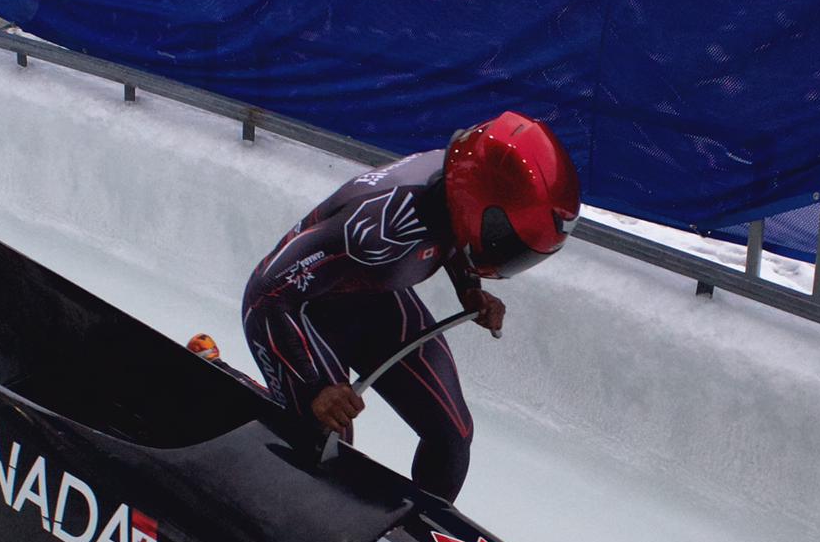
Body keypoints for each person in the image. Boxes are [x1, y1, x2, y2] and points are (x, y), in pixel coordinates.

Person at [234, 110, 579, 502]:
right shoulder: (376, 224)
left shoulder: (456, 186)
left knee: (453, 436)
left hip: (373, 297)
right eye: (507, 242)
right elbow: (266, 291)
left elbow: (452, 232)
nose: (508, 257)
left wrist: (469, 289)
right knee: (330, 439)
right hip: (300, 313)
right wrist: (315, 387)